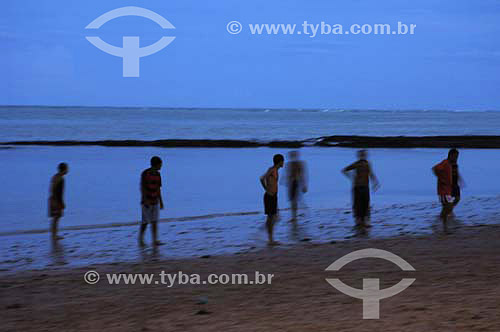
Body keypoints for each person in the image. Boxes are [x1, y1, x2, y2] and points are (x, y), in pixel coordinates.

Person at [342, 150, 380, 227]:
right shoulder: (360, 164)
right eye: (361, 155)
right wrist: (351, 176)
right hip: (359, 186)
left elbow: (371, 174)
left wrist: (375, 182)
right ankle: (360, 221)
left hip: (362, 186)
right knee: (359, 204)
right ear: (359, 156)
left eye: (363, 155)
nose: (363, 156)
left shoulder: (365, 164)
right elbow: (344, 170)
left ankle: (362, 221)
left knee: (363, 203)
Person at [139, 156, 164, 246]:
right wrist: (145, 200)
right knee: (145, 222)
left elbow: (158, 188)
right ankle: (141, 239)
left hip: (155, 201)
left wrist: (161, 201)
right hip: (147, 201)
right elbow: (142, 187)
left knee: (154, 221)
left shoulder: (158, 174)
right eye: (160, 164)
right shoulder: (145, 173)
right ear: (156, 164)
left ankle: (154, 240)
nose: (161, 166)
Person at [260, 154, 284, 245]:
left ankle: (270, 239)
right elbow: (262, 178)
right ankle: (270, 240)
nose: (283, 163)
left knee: (273, 217)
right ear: (280, 162)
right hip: (269, 196)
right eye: (283, 161)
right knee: (271, 218)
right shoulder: (272, 170)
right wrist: (266, 189)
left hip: (274, 196)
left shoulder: (276, 170)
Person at [432, 148, 461, 226]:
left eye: (457, 157)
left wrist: (460, 180)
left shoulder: (454, 163)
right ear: (450, 155)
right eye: (455, 156)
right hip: (444, 189)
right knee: (447, 206)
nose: (456, 158)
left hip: (451, 187)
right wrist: (441, 179)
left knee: (451, 204)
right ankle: (443, 224)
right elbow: (434, 168)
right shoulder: (445, 163)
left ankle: (443, 222)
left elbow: (455, 172)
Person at [285, 150, 308, 220]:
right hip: (292, 183)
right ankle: (294, 216)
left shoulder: (298, 164)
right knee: (293, 200)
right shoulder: (290, 164)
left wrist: (304, 185)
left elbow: (302, 175)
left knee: (294, 200)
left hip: (295, 182)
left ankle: (294, 216)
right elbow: (288, 174)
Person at [48, 162, 68, 240]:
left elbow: (51, 189)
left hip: (52, 199)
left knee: (54, 218)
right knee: (56, 218)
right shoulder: (61, 179)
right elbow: (59, 193)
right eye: (67, 168)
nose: (68, 170)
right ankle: (54, 235)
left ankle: (53, 234)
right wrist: (62, 203)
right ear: (64, 169)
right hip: (56, 200)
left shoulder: (54, 177)